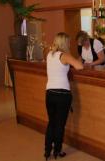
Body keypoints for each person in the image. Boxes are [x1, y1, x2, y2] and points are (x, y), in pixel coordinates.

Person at [44, 32, 83, 160]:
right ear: (65, 43)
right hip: (62, 95)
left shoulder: (49, 54)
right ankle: (57, 151)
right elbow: (80, 67)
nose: (70, 44)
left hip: (49, 93)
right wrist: (78, 59)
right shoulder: (65, 55)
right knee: (60, 124)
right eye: (69, 42)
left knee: (52, 123)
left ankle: (47, 151)